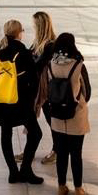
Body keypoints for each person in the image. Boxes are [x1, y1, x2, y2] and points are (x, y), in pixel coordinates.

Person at [0, 20, 44, 185]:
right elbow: (33, 77)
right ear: (18, 33)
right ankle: (26, 169)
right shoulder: (22, 50)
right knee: (35, 134)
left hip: (3, 100)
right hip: (21, 102)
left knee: (5, 135)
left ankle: (13, 172)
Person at [46, 32, 91, 195]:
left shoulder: (51, 64)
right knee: (76, 154)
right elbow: (87, 90)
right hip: (76, 114)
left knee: (62, 153)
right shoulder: (78, 65)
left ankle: (61, 186)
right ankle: (78, 189)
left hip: (57, 115)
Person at [30, 12, 59, 166]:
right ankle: (30, 150)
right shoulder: (37, 42)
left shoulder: (50, 45)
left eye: (35, 24)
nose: (32, 26)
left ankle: (56, 149)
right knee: (31, 119)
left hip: (46, 90)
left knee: (51, 120)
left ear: (40, 26)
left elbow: (38, 65)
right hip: (37, 88)